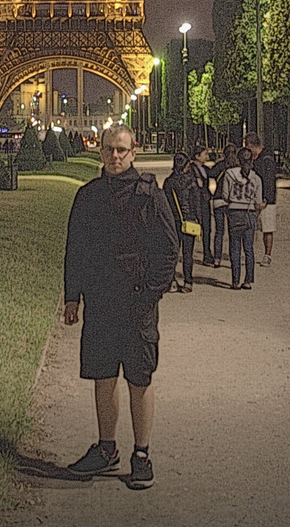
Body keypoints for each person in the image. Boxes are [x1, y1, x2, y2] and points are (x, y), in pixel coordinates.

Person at [63, 124, 178, 490]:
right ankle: (107, 447)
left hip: (136, 302)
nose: (115, 156)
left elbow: (169, 247)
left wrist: (151, 295)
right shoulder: (87, 196)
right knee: (102, 375)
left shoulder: (149, 194)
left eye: (122, 150)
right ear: (101, 151)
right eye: (110, 149)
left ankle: (141, 453)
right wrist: (72, 296)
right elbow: (75, 249)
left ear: (134, 152)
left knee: (139, 379)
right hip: (100, 302)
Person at [222, 146, 264, 290]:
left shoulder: (229, 174)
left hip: (234, 212)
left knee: (234, 248)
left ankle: (235, 281)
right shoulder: (256, 178)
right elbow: (258, 202)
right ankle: (248, 280)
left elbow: (225, 196)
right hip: (249, 213)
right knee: (249, 249)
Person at [162, 151, 201, 292]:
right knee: (187, 254)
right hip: (189, 220)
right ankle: (188, 282)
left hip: (173, 221)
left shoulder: (168, 182)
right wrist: (199, 219)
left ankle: (172, 281)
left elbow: (164, 204)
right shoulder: (191, 182)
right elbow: (196, 203)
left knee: (173, 253)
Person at [245, 132, 277, 265]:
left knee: (267, 227)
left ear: (251, 145)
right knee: (251, 226)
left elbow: (269, 180)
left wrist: (266, 199)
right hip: (253, 198)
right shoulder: (255, 158)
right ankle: (250, 252)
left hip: (266, 200)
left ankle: (267, 255)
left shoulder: (266, 158)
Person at [210, 143, 238, 267]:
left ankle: (217, 258)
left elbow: (209, 175)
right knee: (233, 233)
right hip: (232, 202)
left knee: (219, 231)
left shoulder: (219, 166)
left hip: (218, 199)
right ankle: (233, 258)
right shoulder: (238, 167)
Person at [191, 144, 216, 265]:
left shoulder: (205, 169)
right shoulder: (191, 169)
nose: (207, 156)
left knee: (207, 229)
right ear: (197, 156)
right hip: (194, 203)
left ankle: (207, 253)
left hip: (204, 202)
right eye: (204, 154)